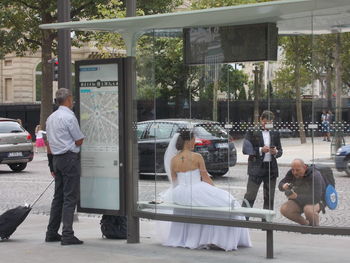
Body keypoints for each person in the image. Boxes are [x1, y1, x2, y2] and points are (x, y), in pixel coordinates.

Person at [160, 129, 251, 251]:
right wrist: (215, 191)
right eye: (193, 140)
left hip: (180, 192)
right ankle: (218, 239)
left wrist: (177, 194)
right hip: (196, 189)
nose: (195, 142)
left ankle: (191, 237)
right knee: (228, 201)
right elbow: (206, 177)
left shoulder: (174, 160)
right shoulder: (197, 157)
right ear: (188, 141)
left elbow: (174, 180)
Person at [45, 88, 85, 245]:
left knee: (58, 197)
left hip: (56, 159)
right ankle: (67, 234)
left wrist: (51, 165)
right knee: (70, 197)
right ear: (68, 99)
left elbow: (48, 142)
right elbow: (79, 139)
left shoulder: (51, 118)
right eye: (72, 99)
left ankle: (51, 232)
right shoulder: (69, 117)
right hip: (69, 159)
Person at [241, 110, 283, 214]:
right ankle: (243, 219)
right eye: (265, 122)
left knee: (269, 197)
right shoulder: (252, 131)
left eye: (269, 123)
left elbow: (280, 150)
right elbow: (245, 150)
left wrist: (276, 152)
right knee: (250, 195)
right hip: (256, 169)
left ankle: (267, 223)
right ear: (261, 120)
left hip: (271, 169)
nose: (266, 125)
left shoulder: (275, 132)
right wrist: (260, 150)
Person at [279, 159, 324, 226]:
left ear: (305, 167)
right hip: (299, 200)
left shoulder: (315, 175)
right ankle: (305, 225)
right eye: (293, 170)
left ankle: (315, 227)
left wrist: (296, 196)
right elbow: (281, 184)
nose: (295, 172)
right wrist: (283, 186)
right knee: (284, 209)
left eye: (298, 170)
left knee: (308, 210)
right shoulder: (291, 172)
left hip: (316, 201)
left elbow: (316, 198)